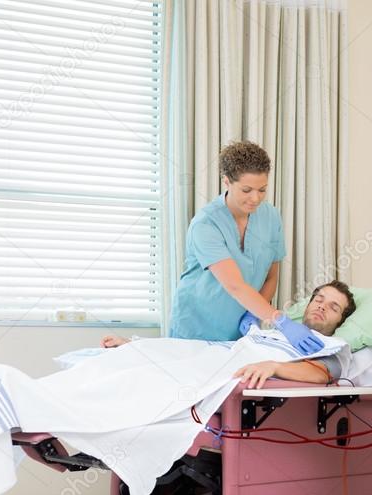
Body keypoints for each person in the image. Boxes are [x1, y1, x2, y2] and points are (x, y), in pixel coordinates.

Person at [102, 141, 323, 354]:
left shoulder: (271, 217)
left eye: (262, 189)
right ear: (226, 182)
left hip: (238, 331)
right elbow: (235, 285)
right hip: (196, 326)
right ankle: (131, 347)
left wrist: (254, 314)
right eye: (246, 190)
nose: (256, 198)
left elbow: (270, 277)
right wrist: (279, 320)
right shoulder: (206, 224)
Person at [102, 281, 357, 387]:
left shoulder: (331, 344)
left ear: (341, 320)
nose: (322, 305)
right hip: (221, 352)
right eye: (319, 299)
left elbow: (322, 373)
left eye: (333, 307)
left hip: (232, 367)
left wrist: (274, 366)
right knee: (177, 350)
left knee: (153, 375)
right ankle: (135, 347)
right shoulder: (281, 332)